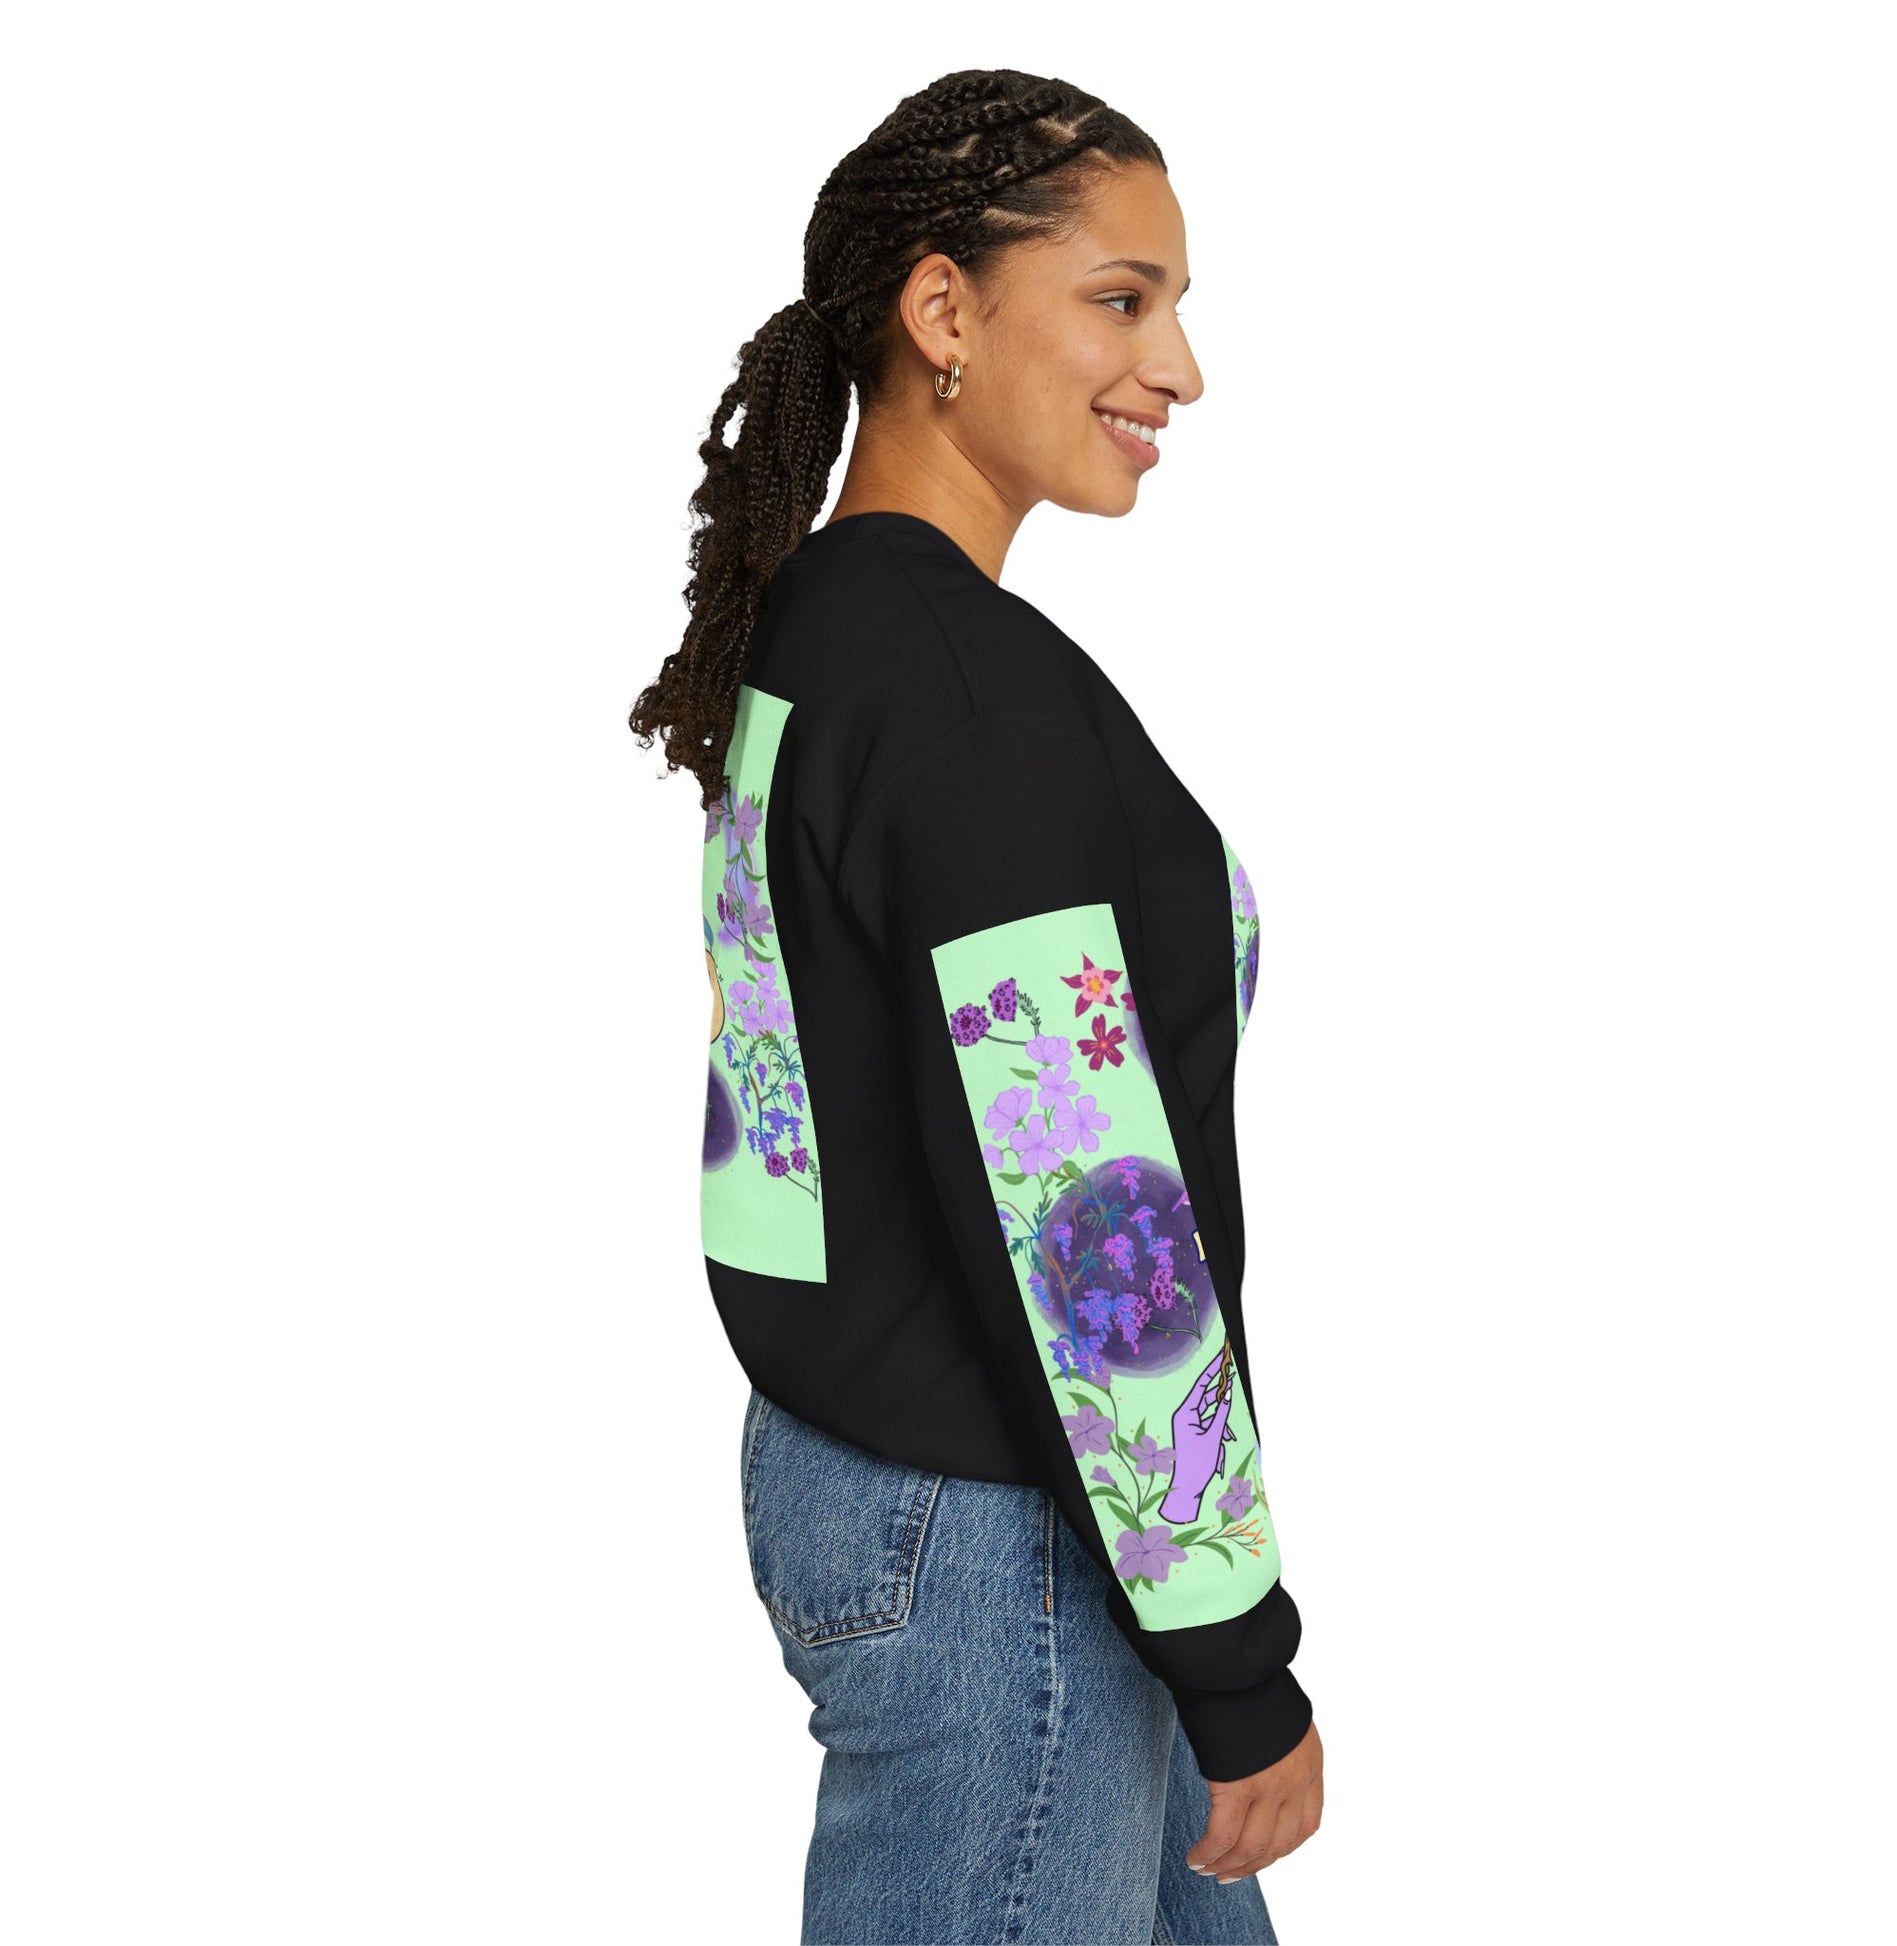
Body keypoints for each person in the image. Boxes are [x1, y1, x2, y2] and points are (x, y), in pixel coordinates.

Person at [631, 67, 1325, 1946]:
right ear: (943, 310)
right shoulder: (963, 698)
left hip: (904, 1474)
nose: (1179, 367)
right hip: (1006, 1533)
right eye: (1120, 299)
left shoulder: (829, 631)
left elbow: (793, 1136)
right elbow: (1085, 1216)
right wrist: (1232, 1647)